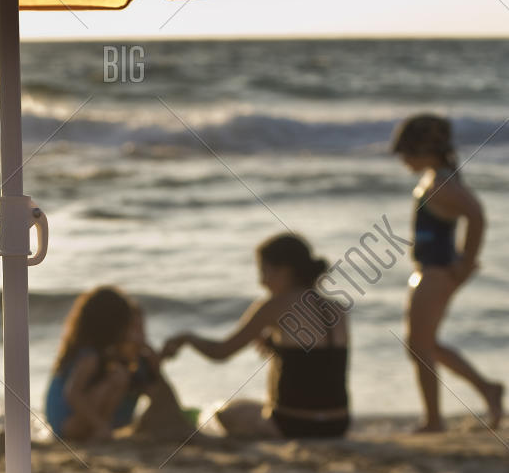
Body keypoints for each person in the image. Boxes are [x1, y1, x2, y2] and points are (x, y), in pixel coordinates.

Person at [161, 233, 349, 440]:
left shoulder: (274, 306)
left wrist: (188, 338)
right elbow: (317, 359)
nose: (261, 281)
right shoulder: (336, 308)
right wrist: (274, 343)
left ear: (284, 271)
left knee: (223, 412)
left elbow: (221, 352)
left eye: (264, 271)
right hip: (338, 424)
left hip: (293, 425)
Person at [391, 112, 502, 432]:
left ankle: (434, 419)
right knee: (426, 344)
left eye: (405, 153)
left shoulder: (442, 182)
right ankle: (487, 389)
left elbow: (477, 215)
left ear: (424, 150)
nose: (402, 160)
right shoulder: (437, 178)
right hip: (432, 268)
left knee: (419, 346)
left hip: (438, 271)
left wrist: (466, 262)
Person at [45, 285, 196, 444]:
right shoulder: (90, 357)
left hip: (86, 421)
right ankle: (100, 430)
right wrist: (101, 426)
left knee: (126, 377)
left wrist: (156, 361)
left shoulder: (124, 359)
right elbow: (72, 394)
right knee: (119, 378)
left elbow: (156, 391)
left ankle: (103, 429)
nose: (139, 337)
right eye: (132, 329)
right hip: (68, 423)